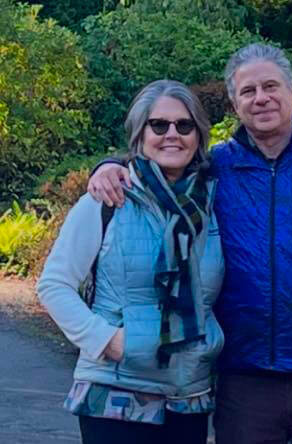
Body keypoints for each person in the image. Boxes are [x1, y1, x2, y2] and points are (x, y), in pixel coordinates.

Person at [88, 44, 292, 444]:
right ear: (235, 104)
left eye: (271, 86)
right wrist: (110, 166)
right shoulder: (213, 170)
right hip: (243, 384)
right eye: (248, 91)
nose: (261, 98)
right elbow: (160, 162)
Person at [38, 80, 225, 444]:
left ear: (198, 136)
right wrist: (106, 340)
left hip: (188, 394)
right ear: (140, 135)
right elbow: (54, 284)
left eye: (184, 125)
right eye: (159, 125)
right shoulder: (107, 199)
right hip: (114, 391)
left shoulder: (214, 205)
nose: (172, 134)